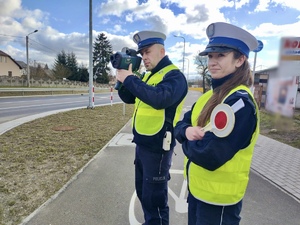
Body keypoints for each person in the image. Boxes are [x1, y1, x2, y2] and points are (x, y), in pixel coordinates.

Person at [174, 22, 260, 225]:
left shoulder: (239, 103)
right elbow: (181, 124)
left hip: (219, 203)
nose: (212, 61)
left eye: (220, 55)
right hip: (198, 192)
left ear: (240, 60)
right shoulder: (209, 97)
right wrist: (187, 132)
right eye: (210, 56)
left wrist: (185, 140)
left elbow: (210, 155)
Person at [116, 30, 188, 225]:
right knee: (143, 193)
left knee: (155, 200)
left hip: (158, 149)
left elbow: (159, 99)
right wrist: (122, 80)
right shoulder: (148, 76)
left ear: (162, 51)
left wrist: (131, 79)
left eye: (148, 52)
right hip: (143, 145)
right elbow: (130, 97)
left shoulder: (175, 77)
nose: (144, 58)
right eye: (142, 54)